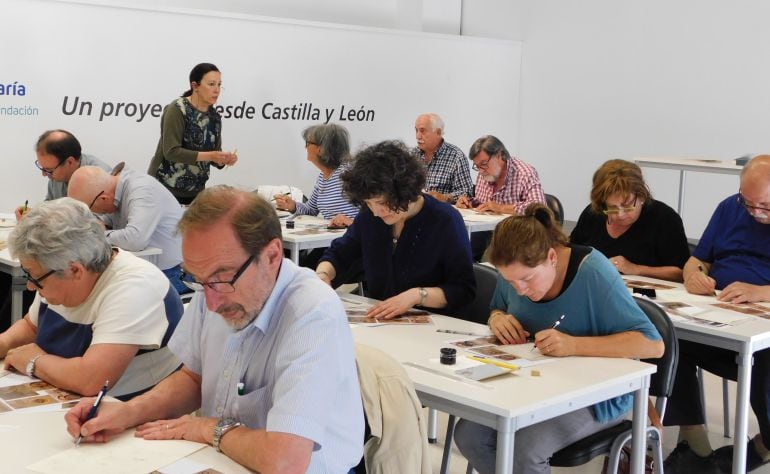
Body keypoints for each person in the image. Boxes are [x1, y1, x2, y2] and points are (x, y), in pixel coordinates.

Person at [64, 186, 364, 473]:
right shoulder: (216, 288)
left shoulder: (312, 313)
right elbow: (194, 378)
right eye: (199, 279)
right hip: (225, 458)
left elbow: (286, 461)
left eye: (222, 278)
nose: (211, 303)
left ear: (272, 256)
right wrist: (129, 412)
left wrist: (208, 428)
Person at [453, 204, 663, 474]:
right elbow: (499, 307)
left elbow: (652, 344)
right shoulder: (514, 268)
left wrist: (574, 345)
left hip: (599, 394)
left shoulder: (593, 272)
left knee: (524, 449)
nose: (520, 290)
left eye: (527, 280)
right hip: (533, 384)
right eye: (511, 282)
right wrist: (497, 318)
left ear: (552, 257)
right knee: (470, 436)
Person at [0, 198, 182, 400]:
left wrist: (34, 360)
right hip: (69, 397)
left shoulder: (135, 287)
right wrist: (3, 343)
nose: (30, 286)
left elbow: (92, 380)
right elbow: (32, 326)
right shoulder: (56, 274)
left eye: (34, 277)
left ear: (75, 270)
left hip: (128, 413)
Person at [663, 155, 770, 473]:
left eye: (764, 206)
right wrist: (693, 273)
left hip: (762, 328)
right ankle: (695, 445)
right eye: (747, 203)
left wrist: (760, 292)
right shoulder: (729, 207)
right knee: (667, 339)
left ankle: (764, 445)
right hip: (722, 309)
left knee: (765, 362)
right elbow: (698, 258)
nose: (754, 213)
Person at [316, 140, 475, 318]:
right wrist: (323, 275)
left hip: (436, 324)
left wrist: (417, 296)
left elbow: (463, 290)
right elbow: (339, 254)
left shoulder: (445, 220)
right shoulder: (369, 217)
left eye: (382, 203)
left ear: (404, 191)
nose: (376, 212)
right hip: (383, 322)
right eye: (368, 203)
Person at [67, 166, 188, 295]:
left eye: (91, 209)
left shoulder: (142, 191)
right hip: (145, 270)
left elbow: (135, 239)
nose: (93, 213)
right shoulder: (112, 192)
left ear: (103, 198)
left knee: (109, 296)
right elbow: (100, 224)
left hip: (173, 273)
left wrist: (99, 235)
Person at [570, 159, 689, 281]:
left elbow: (682, 272)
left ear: (641, 195)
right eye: (612, 208)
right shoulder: (593, 214)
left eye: (627, 205)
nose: (620, 214)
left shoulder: (664, 218)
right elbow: (571, 253)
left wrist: (636, 269)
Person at [147, 63, 238, 205]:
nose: (217, 90)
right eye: (211, 84)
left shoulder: (214, 117)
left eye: (219, 85)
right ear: (195, 86)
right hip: (164, 189)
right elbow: (171, 151)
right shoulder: (177, 109)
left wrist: (223, 159)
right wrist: (211, 155)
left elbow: (213, 155)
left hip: (196, 193)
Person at [456, 135, 546, 260]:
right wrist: (469, 202)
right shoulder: (484, 173)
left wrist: (501, 208)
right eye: (477, 166)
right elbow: (484, 203)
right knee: (458, 249)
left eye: (483, 164)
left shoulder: (524, 173)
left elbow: (539, 208)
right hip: (488, 232)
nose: (481, 171)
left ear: (499, 155)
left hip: (518, 237)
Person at [274, 123, 359, 226]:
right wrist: (292, 206)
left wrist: (352, 223)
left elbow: (374, 210)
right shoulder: (322, 177)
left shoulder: (349, 172)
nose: (305, 147)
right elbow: (311, 210)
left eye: (308, 143)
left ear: (321, 149)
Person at [15, 129, 112, 219]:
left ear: (70, 162)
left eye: (49, 170)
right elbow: (50, 205)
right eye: (42, 168)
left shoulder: (101, 178)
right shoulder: (56, 174)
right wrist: (35, 215)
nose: (44, 174)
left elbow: (100, 224)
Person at [414, 113, 473, 204]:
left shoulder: (456, 156)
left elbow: (467, 193)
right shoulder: (412, 155)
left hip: (441, 213)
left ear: (438, 132)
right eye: (416, 130)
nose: (418, 136)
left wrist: (444, 197)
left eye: (422, 131)